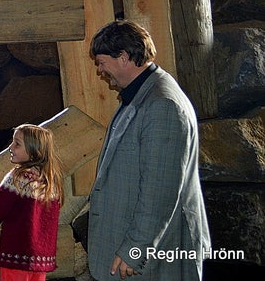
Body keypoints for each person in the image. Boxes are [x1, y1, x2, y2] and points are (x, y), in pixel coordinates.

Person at [87, 20, 210, 280]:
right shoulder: (142, 95)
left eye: (101, 62)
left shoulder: (161, 104)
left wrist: (135, 249)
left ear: (123, 57)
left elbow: (160, 190)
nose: (100, 70)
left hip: (155, 254)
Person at [0, 124, 64, 281]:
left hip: (16, 258)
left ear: (34, 152)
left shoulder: (18, 177)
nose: (10, 147)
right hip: (41, 261)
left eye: (17, 144)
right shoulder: (50, 182)